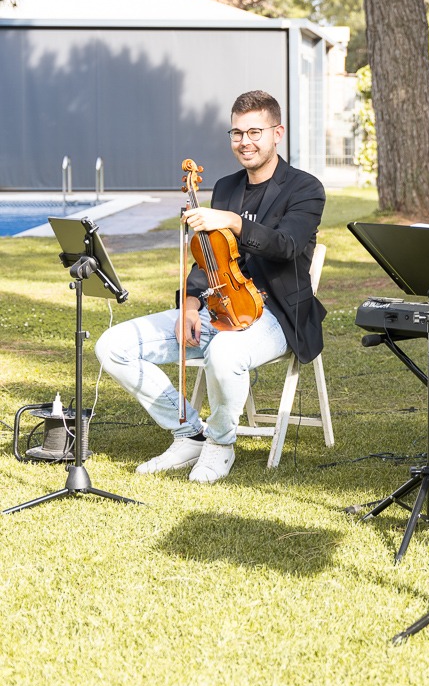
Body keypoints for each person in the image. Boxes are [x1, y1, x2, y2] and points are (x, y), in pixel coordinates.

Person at [96, 90, 326, 484]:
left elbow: (285, 246)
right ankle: (188, 433)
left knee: (223, 353)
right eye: (237, 133)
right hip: (216, 309)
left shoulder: (304, 189)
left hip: (276, 315)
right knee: (112, 346)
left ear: (277, 133)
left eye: (255, 131)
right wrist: (188, 303)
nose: (245, 142)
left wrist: (233, 221)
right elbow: (208, 258)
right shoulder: (226, 186)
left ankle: (220, 444)